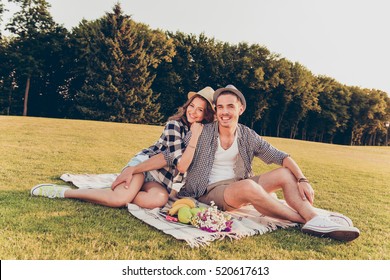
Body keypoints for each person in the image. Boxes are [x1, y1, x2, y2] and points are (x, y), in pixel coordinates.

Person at [123, 85, 360, 242]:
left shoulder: (248, 135)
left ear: (241, 109)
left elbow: (282, 156)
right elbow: (169, 156)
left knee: (284, 174)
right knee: (249, 187)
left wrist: (302, 178)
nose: (225, 112)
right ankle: (308, 220)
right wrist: (134, 168)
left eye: (230, 106)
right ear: (215, 111)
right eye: (220, 107)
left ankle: (314, 216)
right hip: (207, 192)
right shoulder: (202, 132)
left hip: (238, 186)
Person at [30, 86, 216, 209]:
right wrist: (133, 170)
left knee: (157, 200)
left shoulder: (200, 133)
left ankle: (123, 191)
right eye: (192, 106)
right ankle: (62, 192)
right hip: (144, 166)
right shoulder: (174, 125)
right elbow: (176, 163)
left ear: (206, 114)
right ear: (187, 105)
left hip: (161, 178)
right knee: (118, 200)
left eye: (200, 109)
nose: (193, 111)